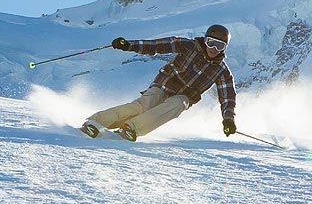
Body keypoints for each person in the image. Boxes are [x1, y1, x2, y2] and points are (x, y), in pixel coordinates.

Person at [80, 24, 237, 142]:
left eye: (219, 46)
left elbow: (228, 98)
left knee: (179, 104)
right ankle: (95, 122)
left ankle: (131, 128)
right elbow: (157, 45)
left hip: (184, 96)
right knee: (144, 105)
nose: (213, 49)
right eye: (211, 43)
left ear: (224, 48)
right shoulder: (189, 46)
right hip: (165, 84)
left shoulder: (222, 71)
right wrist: (129, 45)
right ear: (205, 40)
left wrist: (228, 120)